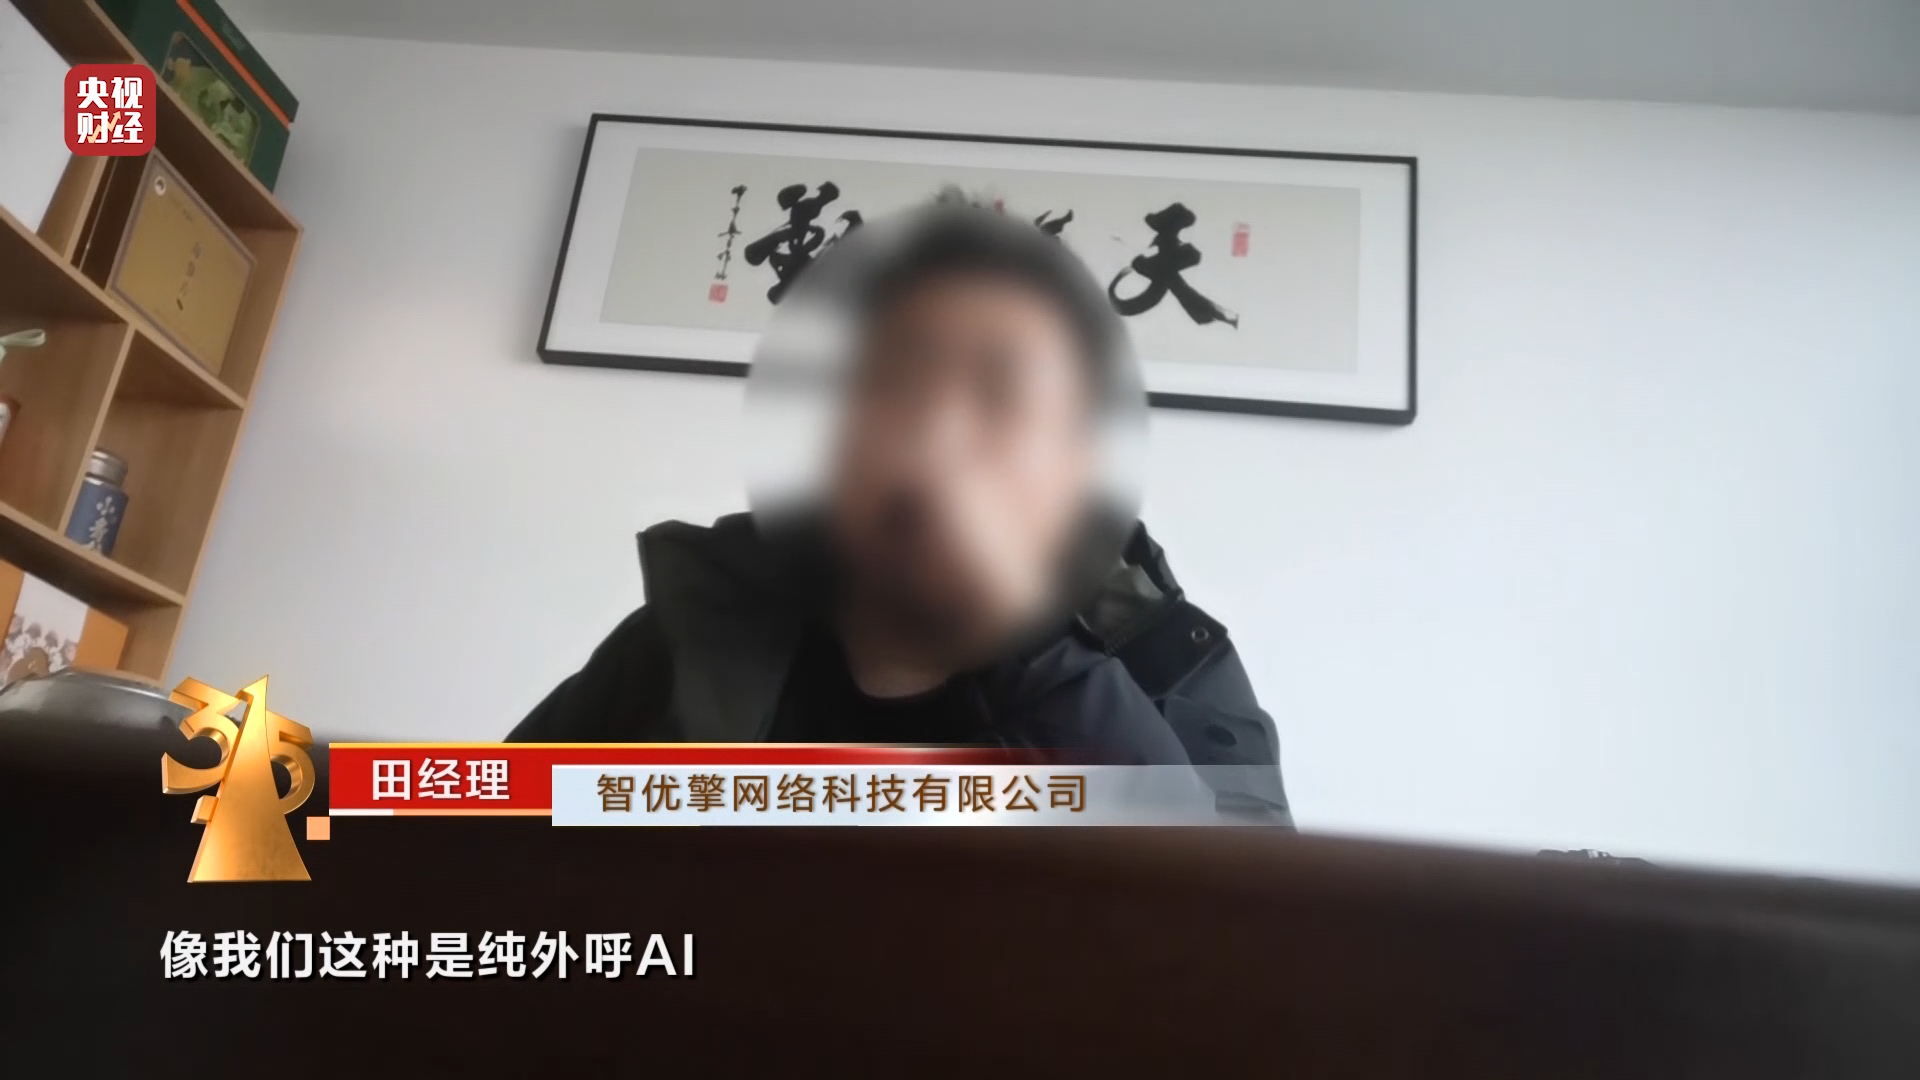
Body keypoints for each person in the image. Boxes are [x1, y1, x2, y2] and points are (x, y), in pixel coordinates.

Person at [510, 205, 1290, 822]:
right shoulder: (697, 632)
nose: (938, 437)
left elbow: (1245, 942)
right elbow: (478, 828)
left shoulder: (1171, 662)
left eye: (999, 395)